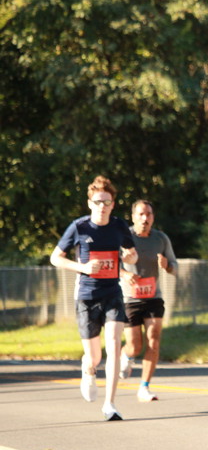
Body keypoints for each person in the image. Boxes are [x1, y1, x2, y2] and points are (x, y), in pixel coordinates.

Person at [50, 175, 138, 421]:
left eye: (107, 202)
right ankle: (88, 369)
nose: (102, 206)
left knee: (114, 344)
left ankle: (110, 404)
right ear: (90, 203)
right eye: (98, 202)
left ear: (113, 204)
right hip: (87, 296)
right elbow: (55, 258)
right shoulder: (79, 227)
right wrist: (84, 268)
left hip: (113, 293)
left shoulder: (119, 226)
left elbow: (132, 254)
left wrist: (130, 258)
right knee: (95, 357)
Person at [119, 200, 178, 402]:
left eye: (149, 214)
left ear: (153, 217)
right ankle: (126, 355)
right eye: (141, 214)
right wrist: (124, 274)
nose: (145, 218)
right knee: (135, 346)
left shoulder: (161, 239)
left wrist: (167, 265)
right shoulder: (123, 237)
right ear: (133, 216)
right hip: (129, 298)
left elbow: (175, 267)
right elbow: (111, 264)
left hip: (154, 297)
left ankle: (144, 386)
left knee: (154, 339)